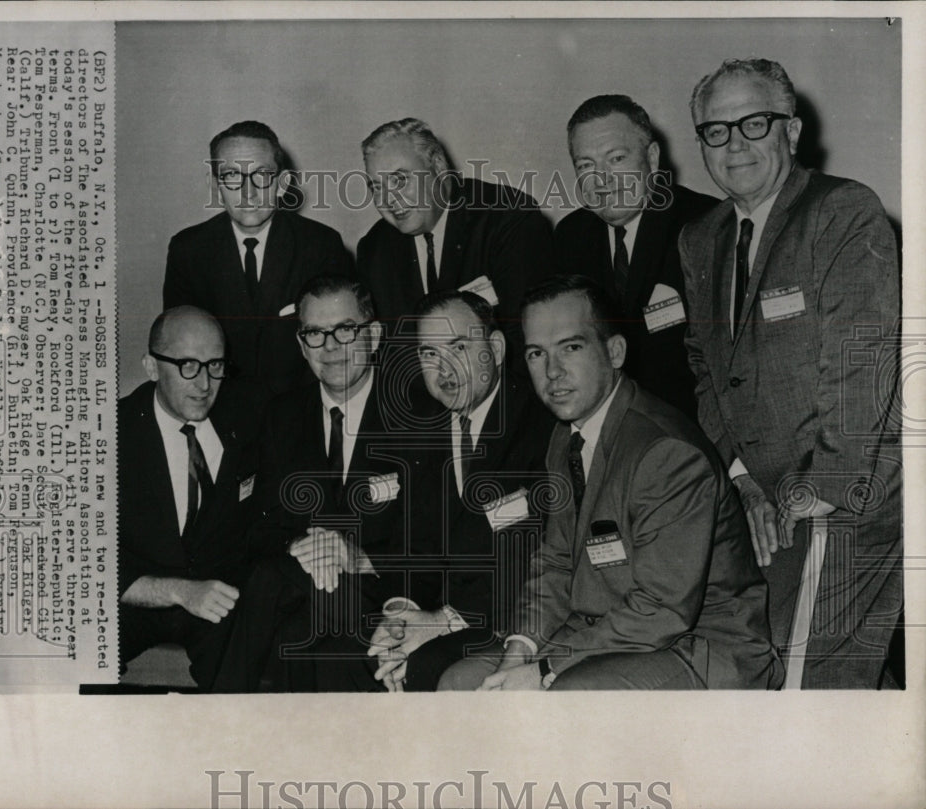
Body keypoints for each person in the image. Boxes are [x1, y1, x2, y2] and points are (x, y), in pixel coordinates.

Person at [439, 276, 781, 691]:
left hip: (698, 648)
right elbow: (557, 562)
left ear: (614, 351)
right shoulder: (565, 437)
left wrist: (545, 670)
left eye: (571, 347)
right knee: (462, 683)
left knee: (563, 697)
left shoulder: (665, 452)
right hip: (607, 632)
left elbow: (662, 610)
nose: (552, 372)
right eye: (536, 353)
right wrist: (520, 650)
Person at [679, 58, 902, 688]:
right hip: (768, 501)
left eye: (755, 123)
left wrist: (808, 494)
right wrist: (745, 481)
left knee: (806, 687)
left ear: (793, 130)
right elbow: (706, 367)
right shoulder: (702, 239)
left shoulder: (842, 211)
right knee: (769, 671)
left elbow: (866, 364)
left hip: (849, 492)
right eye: (716, 131)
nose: (735, 144)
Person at [252, 275, 434, 691]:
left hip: (383, 594)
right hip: (304, 593)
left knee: (284, 608)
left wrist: (357, 558)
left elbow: (432, 547)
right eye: (315, 334)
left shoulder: (419, 414)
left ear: (373, 335)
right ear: (301, 345)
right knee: (298, 631)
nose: (330, 347)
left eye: (345, 330)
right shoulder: (282, 415)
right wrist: (302, 550)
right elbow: (260, 531)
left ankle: (219, 715)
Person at [367, 290, 554, 691]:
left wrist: (442, 621)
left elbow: (533, 557)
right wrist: (402, 614)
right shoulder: (422, 429)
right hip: (448, 614)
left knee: (423, 669)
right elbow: (413, 546)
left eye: (459, 347)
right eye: (429, 354)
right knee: (362, 655)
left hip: (517, 618)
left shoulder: (541, 423)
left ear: (497, 349)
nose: (444, 369)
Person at [118, 306, 279, 691]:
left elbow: (267, 519)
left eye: (215, 365)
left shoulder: (250, 415)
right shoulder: (108, 434)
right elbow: (86, 563)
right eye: (188, 365)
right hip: (136, 598)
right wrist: (178, 591)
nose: (205, 383)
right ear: (152, 367)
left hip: (218, 598)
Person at [164, 121, 354, 410]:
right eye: (231, 176)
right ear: (215, 186)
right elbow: (183, 353)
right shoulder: (188, 251)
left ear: (282, 183)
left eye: (262, 175)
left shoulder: (321, 245)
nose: (247, 192)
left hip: (301, 412)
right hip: (219, 412)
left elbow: (338, 350)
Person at [554, 94, 717, 420]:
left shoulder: (705, 223)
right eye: (586, 166)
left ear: (652, 159)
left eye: (616, 159)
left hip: (693, 430)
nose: (601, 180)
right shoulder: (570, 237)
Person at [356, 117, 552, 380]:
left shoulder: (508, 218)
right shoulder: (374, 249)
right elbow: (390, 358)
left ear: (437, 165)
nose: (389, 199)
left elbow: (528, 344)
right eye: (376, 187)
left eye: (399, 180)